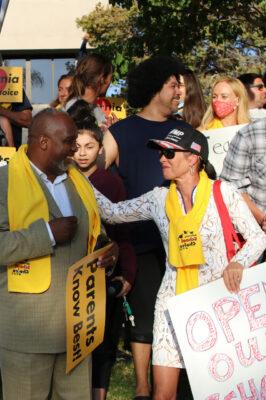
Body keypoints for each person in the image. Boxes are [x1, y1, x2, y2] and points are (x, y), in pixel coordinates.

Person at [94, 126, 266, 399]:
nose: (162, 158)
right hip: (171, 303)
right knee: (162, 394)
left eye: (170, 152)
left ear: (193, 158)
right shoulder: (158, 198)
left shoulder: (223, 192)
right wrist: (76, 180)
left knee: (218, 392)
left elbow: (257, 238)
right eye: (161, 152)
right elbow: (112, 213)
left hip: (217, 302)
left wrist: (238, 263)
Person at [0, 109, 117, 400]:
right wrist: (47, 234)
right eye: (69, 141)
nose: (75, 148)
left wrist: (107, 252)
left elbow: (94, 235)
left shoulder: (77, 179)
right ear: (43, 142)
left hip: (77, 325)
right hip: (27, 331)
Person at [104, 55, 191, 398]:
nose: (179, 91)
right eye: (174, 84)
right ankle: (143, 388)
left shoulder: (184, 129)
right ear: (156, 87)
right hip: (140, 241)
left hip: (183, 243)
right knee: (144, 321)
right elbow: (94, 170)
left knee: (179, 317)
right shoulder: (121, 131)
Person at [67, 104, 136, 400]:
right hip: (71, 273)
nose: (82, 152)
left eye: (89, 146)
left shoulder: (111, 182)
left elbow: (123, 233)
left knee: (104, 342)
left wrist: (128, 273)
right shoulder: (63, 181)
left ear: (99, 149)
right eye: (77, 146)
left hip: (104, 273)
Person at [64, 53, 114, 125]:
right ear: (102, 79)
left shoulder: (94, 108)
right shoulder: (74, 110)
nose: (110, 83)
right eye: (111, 78)